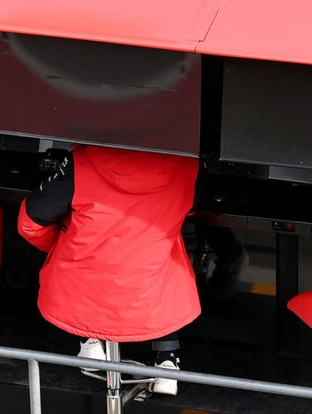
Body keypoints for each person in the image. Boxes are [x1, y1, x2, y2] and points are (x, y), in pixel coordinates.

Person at [18, 145, 200, 394]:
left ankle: (90, 341)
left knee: (89, 263)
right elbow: (189, 208)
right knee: (163, 263)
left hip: (83, 285)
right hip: (149, 294)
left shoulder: (82, 162)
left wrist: (62, 247)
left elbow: (29, 221)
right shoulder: (186, 163)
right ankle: (167, 363)